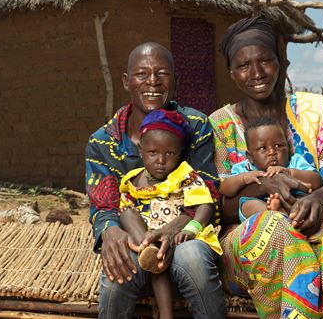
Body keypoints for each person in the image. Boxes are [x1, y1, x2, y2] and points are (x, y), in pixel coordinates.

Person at [209, 16, 323, 319]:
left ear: (281, 62)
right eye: (243, 65)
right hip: (242, 240)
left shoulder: (309, 112)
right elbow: (220, 203)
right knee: (275, 228)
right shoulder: (220, 124)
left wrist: (315, 201)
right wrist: (265, 187)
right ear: (231, 73)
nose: (256, 72)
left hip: (309, 217)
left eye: (265, 60)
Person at [86, 42, 225, 319]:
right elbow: (104, 206)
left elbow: (209, 193)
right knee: (118, 274)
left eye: (162, 73)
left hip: (186, 233)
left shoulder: (194, 125)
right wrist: (110, 231)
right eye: (141, 74)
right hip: (135, 237)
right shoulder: (103, 142)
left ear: (175, 82)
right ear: (126, 81)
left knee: (194, 260)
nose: (152, 81)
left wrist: (171, 231)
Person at [118, 109, 222, 319]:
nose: (161, 160)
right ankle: (147, 247)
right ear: (141, 150)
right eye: (153, 153)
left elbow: (205, 204)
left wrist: (192, 229)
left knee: (162, 257)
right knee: (130, 218)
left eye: (170, 153)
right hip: (149, 236)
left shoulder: (185, 176)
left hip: (179, 235)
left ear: (180, 152)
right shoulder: (134, 180)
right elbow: (126, 208)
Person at [219, 116, 322, 222]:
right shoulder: (244, 168)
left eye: (278, 145)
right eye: (263, 148)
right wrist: (243, 178)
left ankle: (287, 213)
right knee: (247, 205)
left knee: (304, 199)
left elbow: (317, 180)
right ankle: (274, 211)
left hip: (295, 203)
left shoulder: (294, 161)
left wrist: (289, 172)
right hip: (262, 211)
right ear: (250, 157)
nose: (272, 151)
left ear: (288, 147)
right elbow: (224, 189)